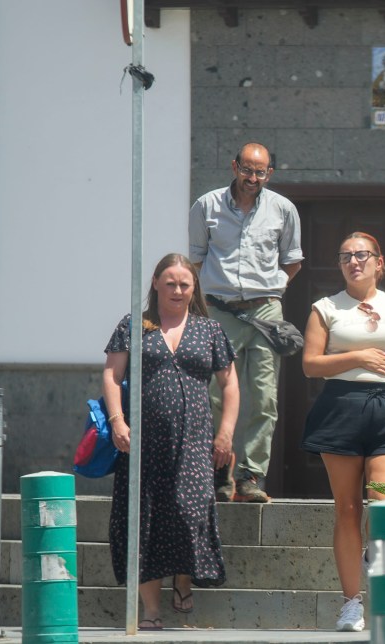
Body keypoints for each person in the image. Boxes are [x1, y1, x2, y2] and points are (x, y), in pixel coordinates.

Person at [301, 232, 385, 632]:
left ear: (379, 262)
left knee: (384, 502)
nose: (354, 262)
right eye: (345, 257)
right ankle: (351, 603)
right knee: (347, 508)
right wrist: (357, 356)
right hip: (341, 407)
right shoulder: (325, 308)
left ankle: (374, 559)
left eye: (362, 255)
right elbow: (310, 364)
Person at [104, 253, 238, 631]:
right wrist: (118, 421)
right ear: (155, 284)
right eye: (170, 283)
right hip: (142, 441)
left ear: (194, 289)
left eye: (185, 284)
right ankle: (151, 611)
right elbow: (112, 375)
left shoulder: (209, 330)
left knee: (188, 510)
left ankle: (183, 577)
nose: (177, 290)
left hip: (196, 440)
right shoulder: (135, 325)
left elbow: (230, 385)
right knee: (144, 519)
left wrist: (226, 432)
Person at [188, 142, 303, 503]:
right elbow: (195, 260)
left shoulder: (283, 209)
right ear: (234, 166)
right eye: (247, 169)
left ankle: (251, 475)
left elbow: (293, 261)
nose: (253, 178)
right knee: (213, 395)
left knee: (264, 397)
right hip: (219, 310)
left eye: (261, 172)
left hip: (265, 313)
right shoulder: (207, 205)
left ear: (270, 173)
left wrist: (275, 290)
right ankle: (219, 473)